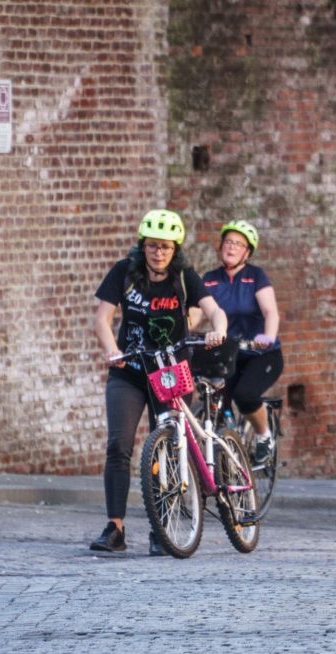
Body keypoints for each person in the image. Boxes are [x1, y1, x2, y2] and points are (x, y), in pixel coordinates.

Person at [92, 209, 227, 555]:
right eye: (152, 246)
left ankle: (162, 527)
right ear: (143, 246)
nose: (159, 253)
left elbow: (214, 310)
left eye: (166, 247)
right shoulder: (125, 272)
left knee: (168, 446)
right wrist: (112, 351)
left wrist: (219, 330)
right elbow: (102, 318)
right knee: (118, 446)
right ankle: (115, 528)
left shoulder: (184, 277)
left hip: (169, 370)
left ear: (175, 248)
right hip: (131, 369)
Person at [200, 220, 283, 464]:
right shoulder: (210, 279)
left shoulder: (255, 276)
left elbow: (271, 312)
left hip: (261, 354)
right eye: (228, 242)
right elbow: (197, 312)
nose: (232, 247)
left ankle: (263, 435)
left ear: (247, 252)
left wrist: (267, 337)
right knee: (211, 393)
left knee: (245, 395)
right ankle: (223, 448)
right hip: (230, 354)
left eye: (238, 244)